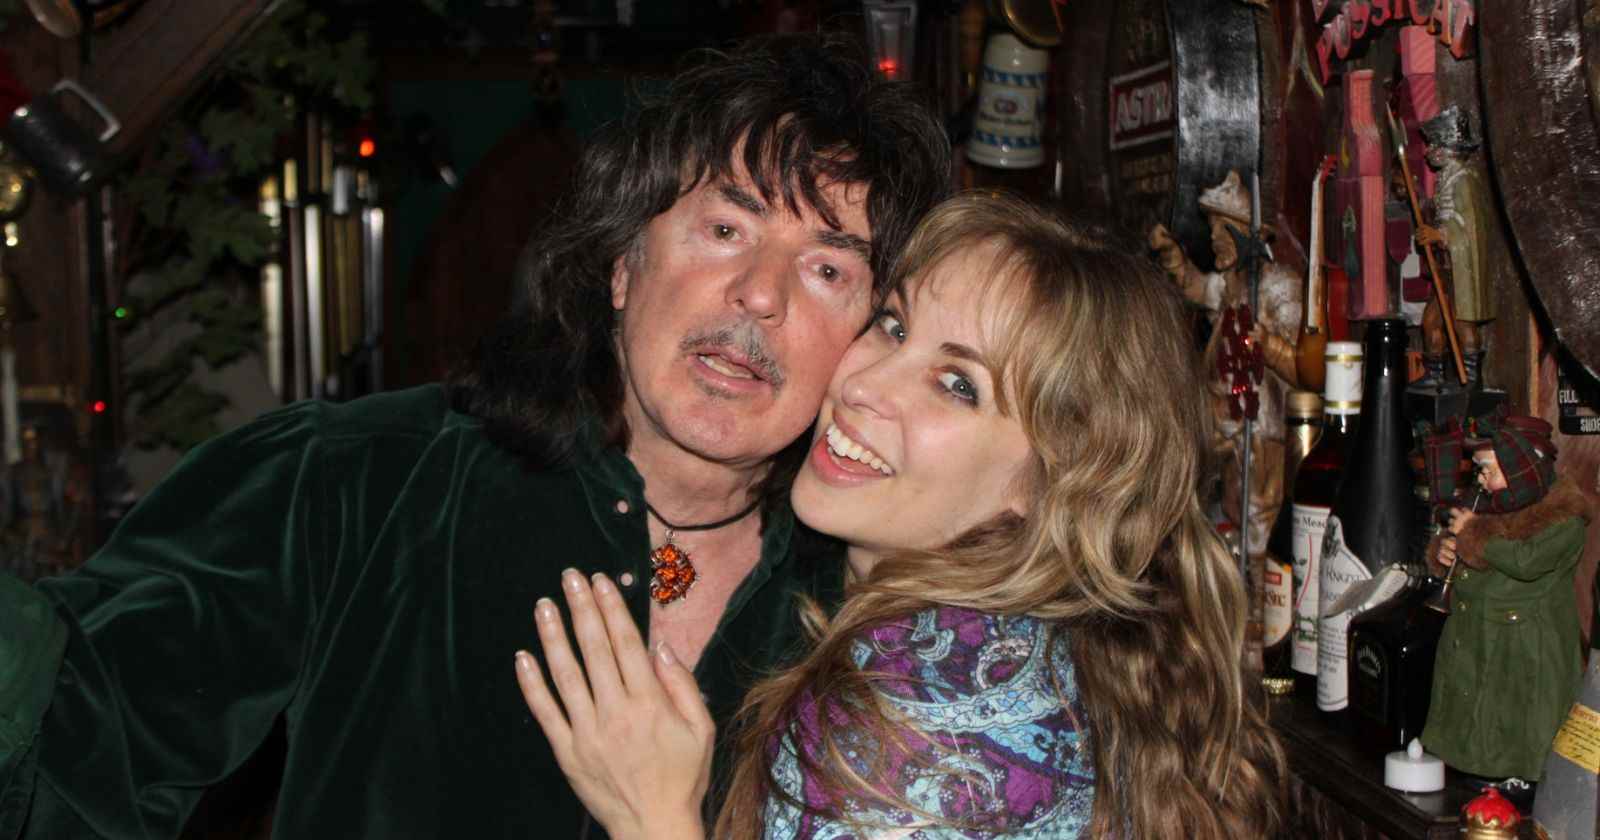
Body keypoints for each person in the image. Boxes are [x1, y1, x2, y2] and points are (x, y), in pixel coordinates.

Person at [0, 34, 950, 837]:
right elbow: (71, 741)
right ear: (622, 265)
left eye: (828, 270)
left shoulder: (884, 618)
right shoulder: (359, 482)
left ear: (870, 340)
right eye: (726, 229)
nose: (760, 296)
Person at [517, 193, 1289, 839]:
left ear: (1056, 482)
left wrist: (654, 817)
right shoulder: (1031, 650)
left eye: (957, 385)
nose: (864, 385)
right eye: (893, 325)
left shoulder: (912, 713)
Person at [1424, 414, 1590, 783]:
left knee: (1514, 725)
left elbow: (1524, 561)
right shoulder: (1490, 507)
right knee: (1472, 720)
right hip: (1476, 641)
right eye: (1480, 470)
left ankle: (1517, 781)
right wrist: (1447, 551)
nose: (1481, 479)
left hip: (1523, 652)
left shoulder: (1563, 521)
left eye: (1490, 470)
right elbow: (1476, 559)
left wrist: (1472, 534)